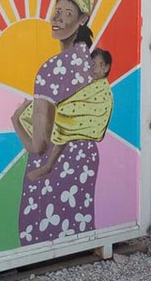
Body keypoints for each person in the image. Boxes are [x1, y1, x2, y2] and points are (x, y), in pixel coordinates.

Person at [11, 0, 110, 245]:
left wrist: (17, 121)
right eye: (57, 10)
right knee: (77, 223)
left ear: (82, 19)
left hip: (52, 168)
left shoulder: (50, 70)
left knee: (43, 231)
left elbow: (39, 145)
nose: (57, 18)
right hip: (84, 161)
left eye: (67, 13)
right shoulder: (94, 65)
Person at [23, 48, 114, 181]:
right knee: (59, 124)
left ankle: (47, 164)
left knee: (61, 121)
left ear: (106, 68)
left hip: (86, 118)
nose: (95, 68)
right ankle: (47, 164)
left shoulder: (102, 88)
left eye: (100, 65)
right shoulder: (89, 80)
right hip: (75, 115)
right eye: (93, 64)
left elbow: (94, 104)